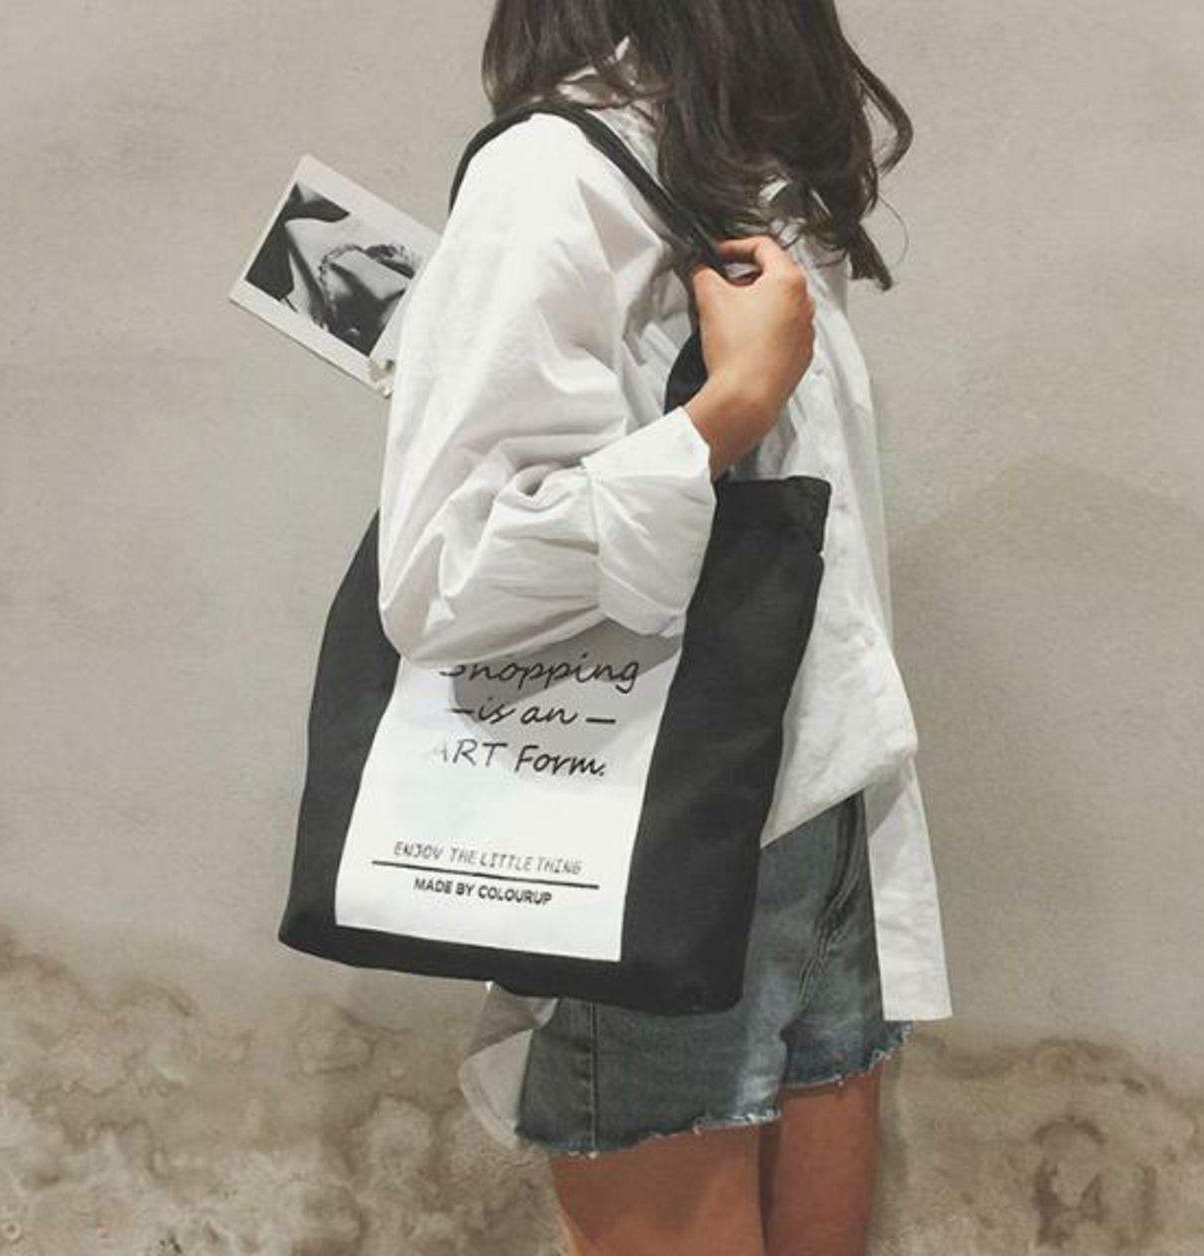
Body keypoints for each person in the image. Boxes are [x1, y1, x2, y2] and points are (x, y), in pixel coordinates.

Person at [376, 3, 953, 1253]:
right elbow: (446, 575)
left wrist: (727, 409)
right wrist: (726, 409)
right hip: (704, 819)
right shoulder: (587, 172)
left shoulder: (712, 169)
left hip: (772, 814)